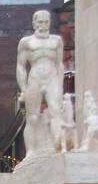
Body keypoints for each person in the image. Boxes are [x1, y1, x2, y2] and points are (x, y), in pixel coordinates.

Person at [16, 10, 65, 161]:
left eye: (46, 22)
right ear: (34, 23)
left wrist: (61, 86)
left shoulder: (56, 41)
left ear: (49, 23)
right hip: (35, 78)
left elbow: (59, 65)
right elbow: (20, 67)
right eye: (40, 22)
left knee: (56, 113)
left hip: (52, 78)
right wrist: (23, 89)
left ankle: (58, 146)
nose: (43, 25)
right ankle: (31, 151)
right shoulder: (26, 42)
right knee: (32, 117)